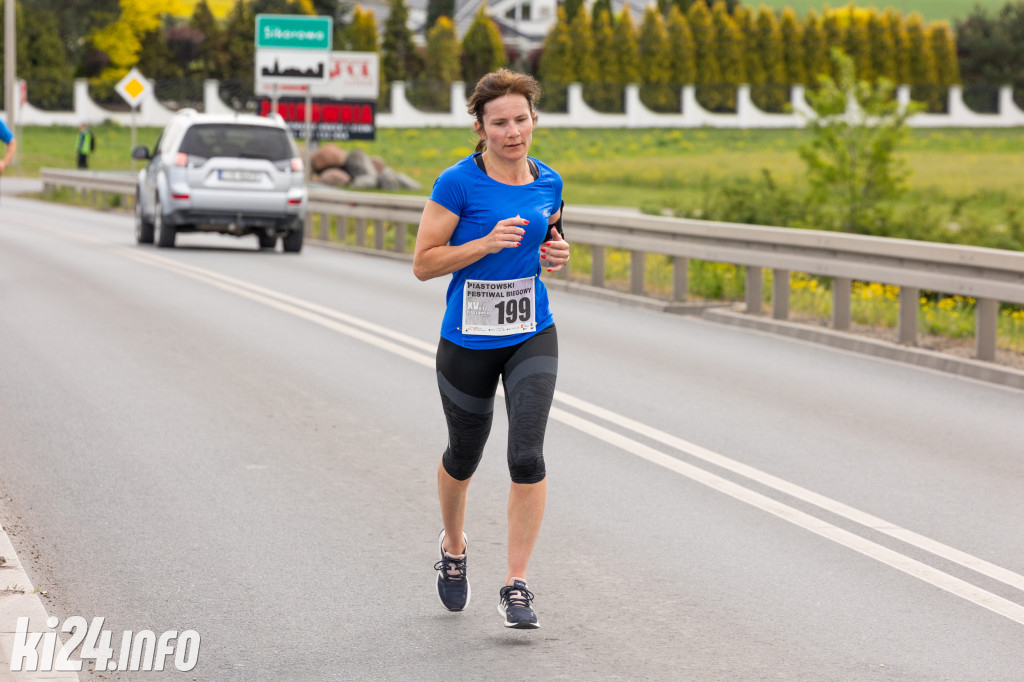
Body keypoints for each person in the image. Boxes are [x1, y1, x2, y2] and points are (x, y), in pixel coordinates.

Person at [413, 68, 570, 630]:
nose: (512, 132)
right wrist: (481, 243)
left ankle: (517, 583)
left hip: (530, 331)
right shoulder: (457, 183)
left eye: (521, 120)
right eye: (499, 122)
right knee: (464, 454)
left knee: (527, 456)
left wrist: (556, 254)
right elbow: (423, 264)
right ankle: (454, 548)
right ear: (480, 127)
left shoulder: (549, 180)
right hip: (468, 339)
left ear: (534, 120)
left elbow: (548, 238)